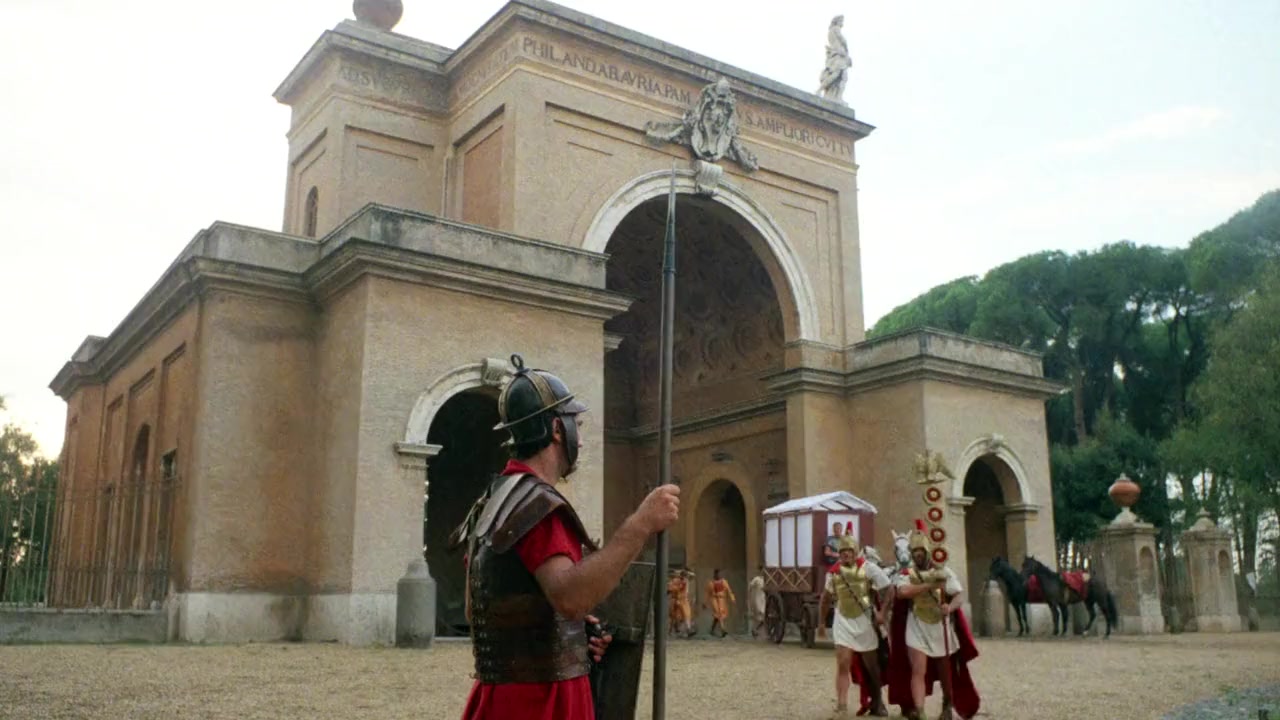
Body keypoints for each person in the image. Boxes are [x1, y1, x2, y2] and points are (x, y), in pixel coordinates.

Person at [452, 355, 680, 720]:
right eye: (577, 424)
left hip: (500, 694)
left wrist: (567, 636)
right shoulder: (536, 506)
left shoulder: (491, 502)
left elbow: (478, 610)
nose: (581, 439)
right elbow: (571, 599)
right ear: (558, 428)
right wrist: (641, 524)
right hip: (540, 701)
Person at [887, 520, 980, 720]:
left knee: (945, 670)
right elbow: (903, 592)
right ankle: (920, 711)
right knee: (918, 669)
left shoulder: (943, 571)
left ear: (927, 551)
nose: (918, 554)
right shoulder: (907, 573)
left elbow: (958, 595)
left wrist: (950, 607)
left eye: (921, 550)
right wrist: (930, 585)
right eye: (915, 551)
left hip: (940, 625)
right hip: (916, 624)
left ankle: (947, 703)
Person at [818, 534, 891, 718]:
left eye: (849, 551)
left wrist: (882, 613)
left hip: (865, 620)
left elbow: (889, 588)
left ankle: (878, 700)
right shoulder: (833, 573)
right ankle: (841, 706)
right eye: (843, 551)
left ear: (855, 551)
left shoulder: (869, 568)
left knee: (872, 665)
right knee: (843, 663)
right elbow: (825, 598)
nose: (846, 554)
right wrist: (821, 623)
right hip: (843, 619)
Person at [703, 568, 736, 638]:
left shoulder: (724, 582)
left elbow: (729, 591)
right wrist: (705, 603)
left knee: (717, 616)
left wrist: (732, 598)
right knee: (719, 613)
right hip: (714, 599)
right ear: (714, 574)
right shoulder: (711, 583)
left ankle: (712, 630)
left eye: (720, 573)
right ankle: (723, 630)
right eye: (717, 574)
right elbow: (707, 594)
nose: (719, 575)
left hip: (722, 599)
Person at [668, 569, 695, 637]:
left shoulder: (686, 580)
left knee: (686, 615)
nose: (684, 577)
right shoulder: (676, 580)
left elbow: (693, 575)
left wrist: (681, 572)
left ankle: (688, 630)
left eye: (685, 575)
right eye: (683, 575)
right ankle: (671, 630)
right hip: (677, 599)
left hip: (683, 600)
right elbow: (671, 589)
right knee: (674, 616)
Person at [748, 566, 767, 638]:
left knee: (763, 616)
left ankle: (755, 629)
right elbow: (750, 586)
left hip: (763, 598)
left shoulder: (765, 579)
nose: (762, 572)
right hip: (757, 598)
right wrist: (750, 596)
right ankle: (755, 629)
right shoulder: (756, 579)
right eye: (761, 570)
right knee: (759, 614)